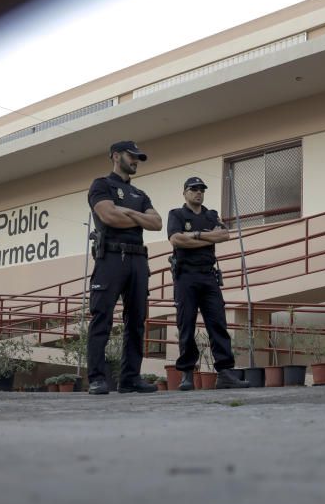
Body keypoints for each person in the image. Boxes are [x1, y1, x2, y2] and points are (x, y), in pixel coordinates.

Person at [86, 141, 162, 394]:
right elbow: (108, 216)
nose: (136, 161)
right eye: (132, 156)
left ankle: (130, 379)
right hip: (110, 258)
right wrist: (138, 217)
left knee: (137, 320)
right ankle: (97, 378)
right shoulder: (102, 185)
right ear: (116, 156)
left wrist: (127, 213)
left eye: (139, 157)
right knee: (102, 317)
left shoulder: (141, 194)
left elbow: (157, 223)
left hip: (138, 260)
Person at [167, 177, 250, 390]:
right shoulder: (176, 214)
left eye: (201, 189)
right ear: (184, 192)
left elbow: (224, 235)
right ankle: (187, 374)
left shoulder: (210, 214)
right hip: (185, 276)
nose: (198, 193)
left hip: (208, 276)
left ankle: (225, 373)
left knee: (218, 324)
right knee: (186, 325)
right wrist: (205, 236)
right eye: (193, 189)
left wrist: (193, 236)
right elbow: (176, 239)